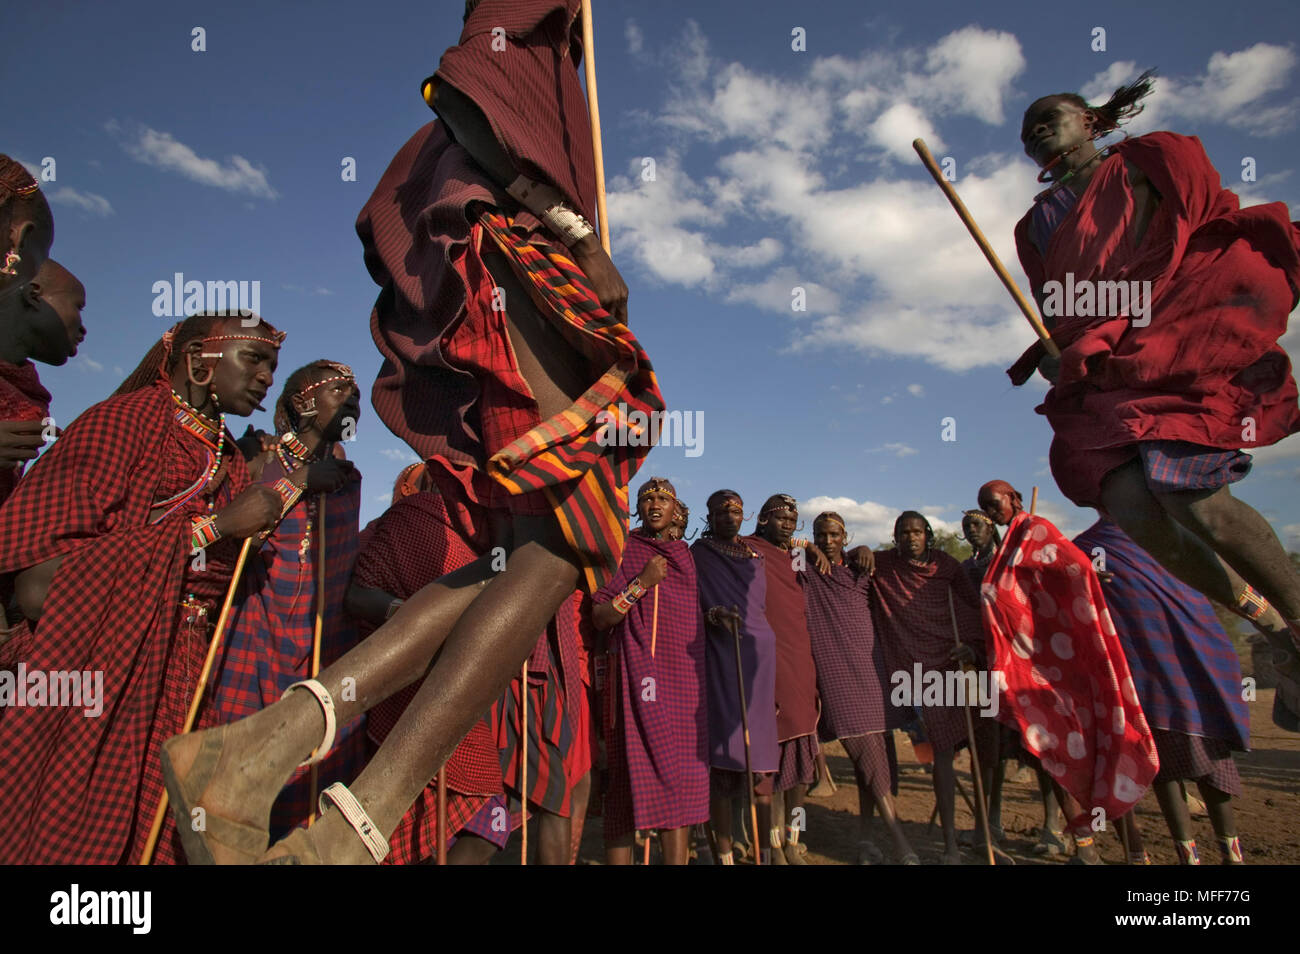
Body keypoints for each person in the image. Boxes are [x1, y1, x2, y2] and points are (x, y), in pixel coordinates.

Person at [160, 0, 662, 865]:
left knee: (516, 556)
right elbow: (464, 87)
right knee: (572, 527)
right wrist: (576, 233)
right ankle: (355, 816)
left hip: (489, 254)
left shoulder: (563, 46)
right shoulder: (528, 19)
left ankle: (250, 756)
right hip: (506, 251)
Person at [1009, 72, 1300, 729]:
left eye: (1049, 117)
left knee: (1188, 493)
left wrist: (1121, 329)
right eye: (1027, 133)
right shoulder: (1036, 226)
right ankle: (1273, 629)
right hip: (1105, 367)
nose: (1037, 133)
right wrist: (1064, 352)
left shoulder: (1153, 159)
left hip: (1176, 338)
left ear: (1091, 120)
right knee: (1131, 504)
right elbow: (1058, 308)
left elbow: (1196, 237)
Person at [0, 312, 288, 864]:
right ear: (197, 360)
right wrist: (215, 528)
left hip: (184, 680)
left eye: (272, 366)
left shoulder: (231, 462)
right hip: (93, 679)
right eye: (253, 359)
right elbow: (39, 584)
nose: (266, 379)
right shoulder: (119, 424)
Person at [212, 361, 364, 836]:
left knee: (317, 773)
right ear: (302, 404)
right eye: (340, 390)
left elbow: (341, 569)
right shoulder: (264, 463)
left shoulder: (349, 478)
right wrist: (296, 485)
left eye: (357, 393)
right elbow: (237, 540)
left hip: (325, 638)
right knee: (247, 776)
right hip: (259, 633)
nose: (354, 399)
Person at [978, 479, 1159, 864]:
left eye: (995, 505)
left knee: (1100, 750)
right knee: (1054, 756)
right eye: (986, 508)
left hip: (1067, 668)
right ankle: (1084, 848)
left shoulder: (1037, 531)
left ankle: (1136, 852)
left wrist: (1087, 580)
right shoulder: (1009, 543)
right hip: (1033, 673)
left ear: (1013, 499)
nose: (993, 514)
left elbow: (1075, 567)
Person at [345, 462, 509, 865]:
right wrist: (415, 619)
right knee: (406, 816)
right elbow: (359, 595)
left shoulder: (483, 539)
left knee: (492, 820)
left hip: (459, 687)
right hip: (404, 686)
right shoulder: (410, 517)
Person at [1074, 517, 1250, 864]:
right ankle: (1188, 857)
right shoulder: (1088, 548)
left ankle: (1232, 857)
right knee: (1165, 768)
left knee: (1213, 765)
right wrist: (1082, 580)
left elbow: (1208, 581)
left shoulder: (1171, 531)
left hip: (1195, 657)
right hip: (1141, 667)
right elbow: (1064, 589)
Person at [592, 477, 708, 865]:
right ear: (637, 508)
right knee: (625, 783)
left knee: (682, 781)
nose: (655, 504)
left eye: (663, 499)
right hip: (634, 683)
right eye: (647, 499)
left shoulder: (686, 557)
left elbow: (692, 617)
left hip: (684, 688)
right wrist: (641, 583)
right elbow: (601, 615)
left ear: (676, 510)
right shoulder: (624, 549)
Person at [872, 511, 998, 864]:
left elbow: (973, 609)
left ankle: (985, 833)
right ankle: (950, 846)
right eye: (903, 532)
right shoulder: (883, 566)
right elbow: (848, 558)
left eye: (916, 532)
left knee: (985, 744)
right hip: (926, 674)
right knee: (942, 750)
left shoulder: (947, 566)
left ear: (927, 534)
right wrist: (863, 550)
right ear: (895, 537)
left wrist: (972, 647)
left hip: (962, 664)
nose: (910, 538)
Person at [803, 511, 917, 865]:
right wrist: (802, 544)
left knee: (877, 757)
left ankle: (866, 841)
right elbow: (775, 546)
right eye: (820, 534)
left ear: (846, 537)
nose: (827, 540)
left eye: (834, 534)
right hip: (836, 672)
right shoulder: (805, 569)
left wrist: (864, 549)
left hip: (871, 670)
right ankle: (901, 845)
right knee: (866, 755)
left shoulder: (861, 569)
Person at [692, 490, 779, 865]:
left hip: (761, 660)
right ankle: (725, 854)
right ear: (709, 515)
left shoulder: (757, 555)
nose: (730, 516)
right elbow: (690, 602)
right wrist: (713, 616)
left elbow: (795, 546)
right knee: (724, 762)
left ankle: (765, 851)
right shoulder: (698, 554)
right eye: (722, 510)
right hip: (721, 658)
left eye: (737, 511)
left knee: (760, 763)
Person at [744, 494, 825, 865]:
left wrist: (807, 544)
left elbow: (827, 566)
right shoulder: (748, 548)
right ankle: (772, 842)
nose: (789, 524)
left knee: (801, 767)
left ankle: (794, 838)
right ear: (762, 520)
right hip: (766, 661)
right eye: (780, 518)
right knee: (769, 762)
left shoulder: (796, 555)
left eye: (794, 519)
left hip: (800, 658)